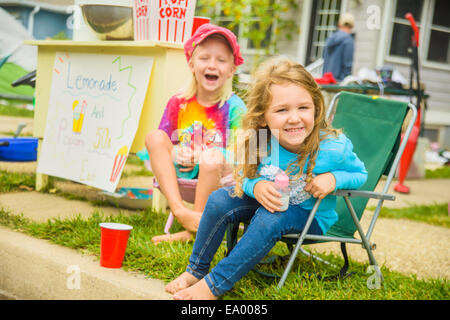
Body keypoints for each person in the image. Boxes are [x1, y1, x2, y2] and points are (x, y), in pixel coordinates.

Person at [166, 57, 368, 299]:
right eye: (282, 110)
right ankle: (195, 270)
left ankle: (214, 285)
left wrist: (334, 179)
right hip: (268, 202)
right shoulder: (260, 140)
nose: (294, 118)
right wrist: (257, 185)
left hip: (309, 215)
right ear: (263, 116)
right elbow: (245, 177)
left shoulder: (333, 147)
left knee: (270, 215)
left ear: (316, 107)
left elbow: (360, 174)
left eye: (303, 108)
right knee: (220, 198)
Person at [145, 24, 246, 244]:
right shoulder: (178, 103)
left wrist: (200, 157)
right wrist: (178, 153)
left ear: (231, 69)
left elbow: (242, 156)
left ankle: (195, 230)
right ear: (191, 64)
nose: (212, 65)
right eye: (204, 58)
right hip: (182, 178)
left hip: (220, 180)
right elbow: (163, 146)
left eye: (221, 60)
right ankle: (181, 212)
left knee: (212, 158)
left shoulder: (235, 108)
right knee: (154, 136)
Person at [322, 13, 355, 82]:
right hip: (339, 81)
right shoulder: (348, 40)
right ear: (352, 25)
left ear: (339, 24)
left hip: (326, 79)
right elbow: (347, 64)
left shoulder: (330, 38)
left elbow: (323, 57)